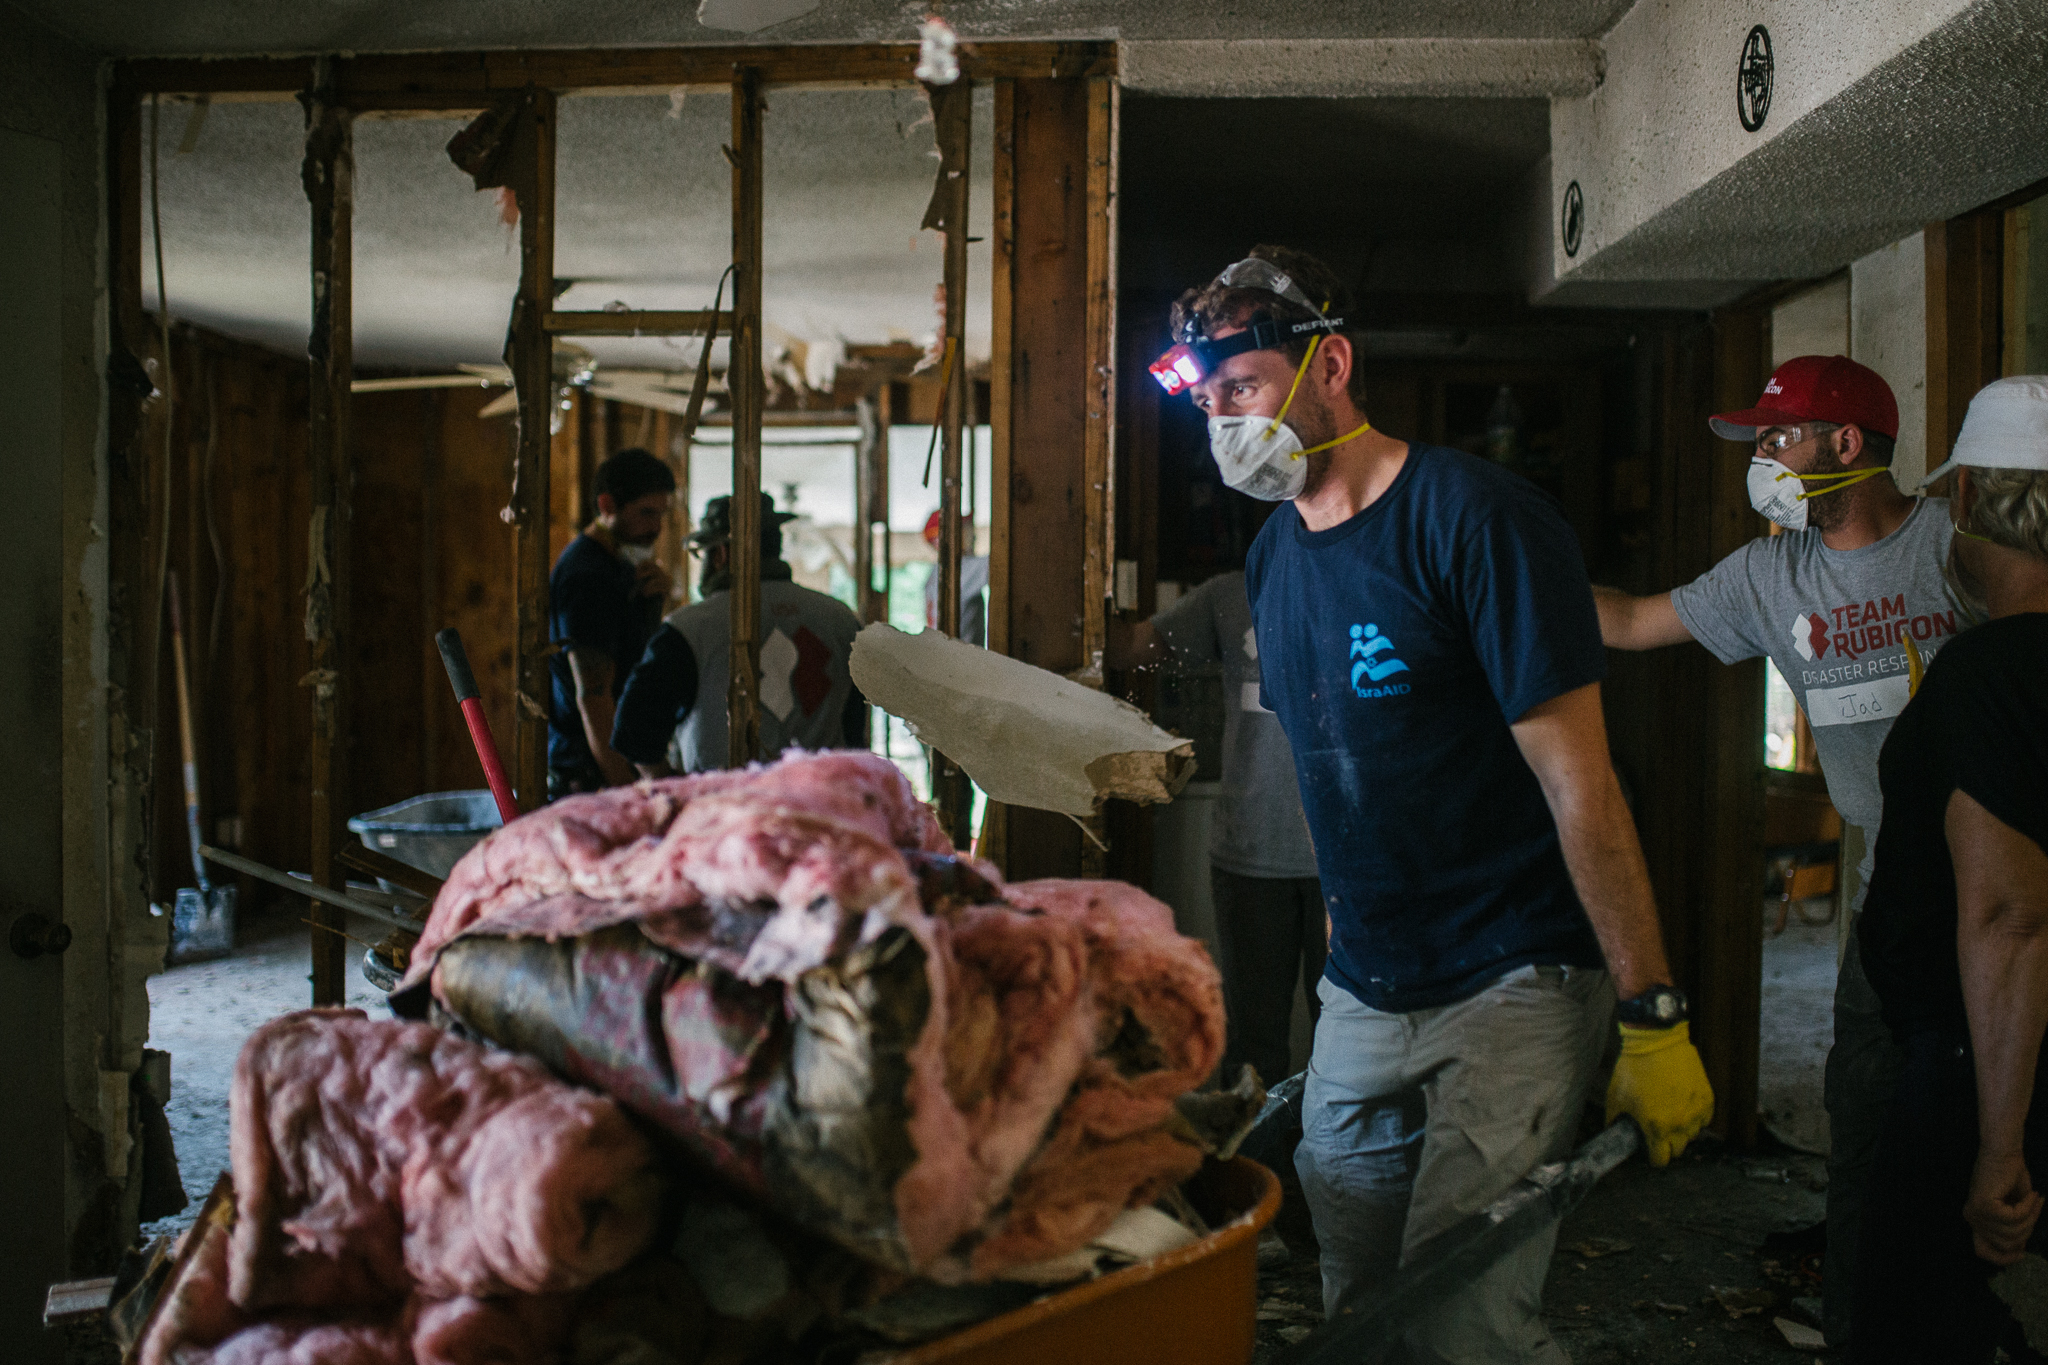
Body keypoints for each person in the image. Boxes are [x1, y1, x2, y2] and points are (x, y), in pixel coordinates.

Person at [1162, 246, 1713, 1361]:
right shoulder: (1273, 556)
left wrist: (1650, 1007)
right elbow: (1335, 766)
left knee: (1462, 1327)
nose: (1224, 421)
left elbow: (1580, 783)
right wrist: (1339, 934)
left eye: (1245, 387)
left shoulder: (1475, 521)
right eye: (1209, 400)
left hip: (1514, 977)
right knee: (1358, 1310)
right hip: (1365, 992)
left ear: (1331, 365)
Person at [1592, 354, 1961, 1348]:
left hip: (2005, 894)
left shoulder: (1952, 548)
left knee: (1987, 1130)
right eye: (1753, 442)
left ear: (1844, 446)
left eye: (1773, 439)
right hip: (1888, 901)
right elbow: (1629, 623)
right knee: (1867, 1118)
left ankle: (1964, 1318)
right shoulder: (1768, 573)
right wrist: (1490, 578)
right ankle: (1859, 1330)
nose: (1757, 461)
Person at [1850, 376, 2048, 1362]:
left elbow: (2009, 918)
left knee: (1923, 1318)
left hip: (1989, 1062)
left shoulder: (1987, 675)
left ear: (1965, 496)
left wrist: (1997, 1143)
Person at [1109, 570, 1325, 1090]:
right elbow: (1134, 651)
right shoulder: (1233, 593)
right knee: (1253, 1047)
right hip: (1250, 851)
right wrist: (1094, 596)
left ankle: (1325, 1169)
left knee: (1351, 1041)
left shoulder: (1367, 577)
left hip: (1345, 858)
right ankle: (1253, 1163)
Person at [612, 491, 865, 776]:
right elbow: (856, 734)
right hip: (822, 806)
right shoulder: (842, 620)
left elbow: (633, 735)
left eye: (702, 554)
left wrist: (679, 795)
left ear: (721, 553)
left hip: (725, 811)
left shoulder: (689, 628)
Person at [547, 448, 675, 799]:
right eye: (646, 512)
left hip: (603, 767)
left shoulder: (618, 567)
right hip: (591, 775)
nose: (656, 527)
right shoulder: (588, 576)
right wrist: (630, 795)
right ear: (607, 505)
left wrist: (656, 602)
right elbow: (594, 697)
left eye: (661, 514)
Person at [922, 509, 990, 646]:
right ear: (943, 538)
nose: (972, 535)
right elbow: (1001, 559)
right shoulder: (961, 569)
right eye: (963, 529)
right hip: (962, 659)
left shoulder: (936, 571)